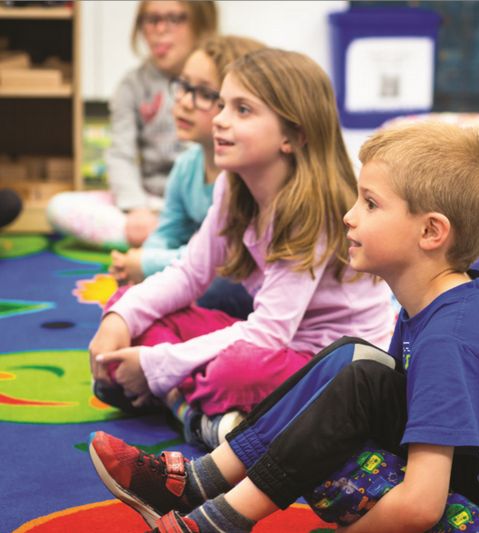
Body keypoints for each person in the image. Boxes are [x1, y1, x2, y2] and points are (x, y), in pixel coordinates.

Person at [88, 121, 479, 532]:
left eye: (370, 203)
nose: (348, 217)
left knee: (334, 433)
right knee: (353, 361)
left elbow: (420, 505)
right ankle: (200, 484)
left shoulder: (452, 335)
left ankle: (220, 516)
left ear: (431, 232)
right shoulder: (428, 309)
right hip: (477, 471)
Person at [87, 48, 395, 451]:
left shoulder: (309, 211)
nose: (219, 119)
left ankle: (184, 407)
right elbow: (188, 275)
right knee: (130, 302)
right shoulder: (232, 187)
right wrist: (120, 320)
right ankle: (203, 413)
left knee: (235, 370)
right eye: (222, 105)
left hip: (330, 362)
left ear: (294, 136)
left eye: (243, 110)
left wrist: (154, 364)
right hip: (276, 341)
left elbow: (267, 334)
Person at [109, 34, 266, 319]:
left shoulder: (245, 177)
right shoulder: (186, 165)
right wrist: (144, 259)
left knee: (214, 290)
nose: (183, 101)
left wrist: (147, 263)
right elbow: (167, 231)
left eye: (205, 94)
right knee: (136, 296)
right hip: (198, 263)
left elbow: (222, 258)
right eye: (182, 85)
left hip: (242, 277)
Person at [47, 1, 218, 250]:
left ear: (201, 23)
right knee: (59, 207)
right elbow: (120, 155)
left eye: (174, 18)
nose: (160, 29)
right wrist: (137, 209)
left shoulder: (224, 77)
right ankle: (183, 242)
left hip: (204, 199)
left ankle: (184, 241)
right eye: (151, 19)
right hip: (152, 203)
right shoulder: (132, 85)